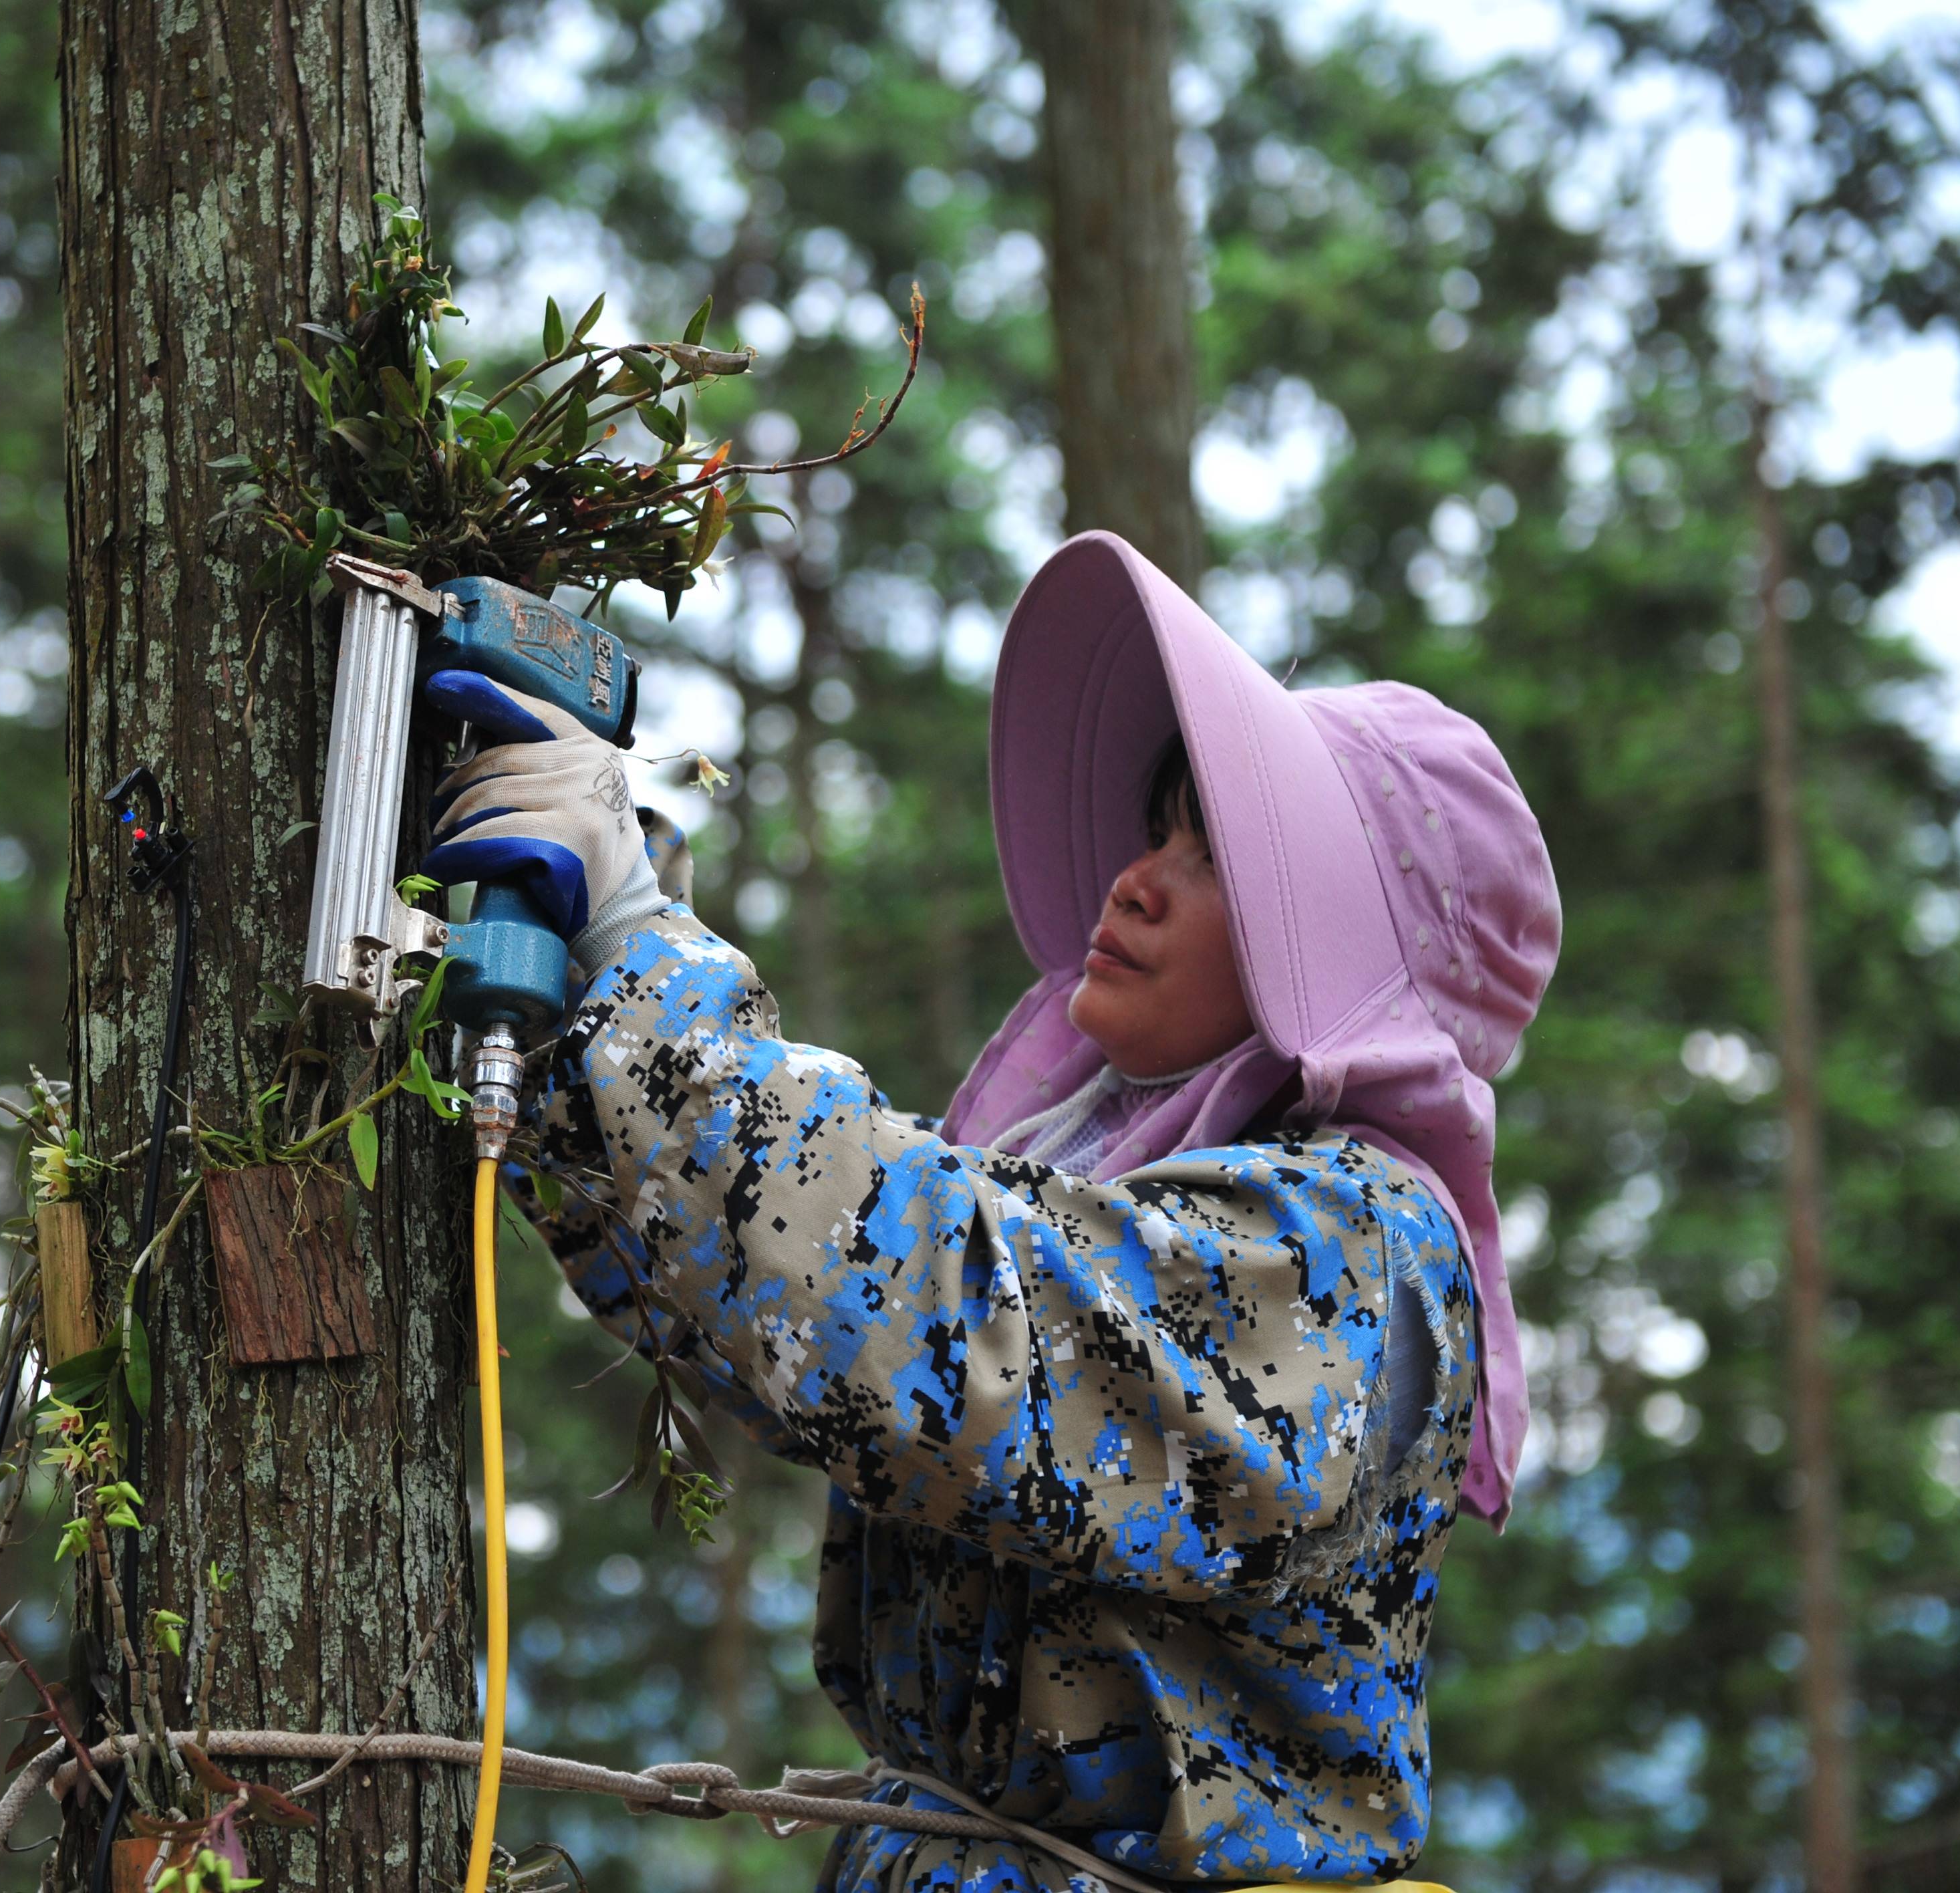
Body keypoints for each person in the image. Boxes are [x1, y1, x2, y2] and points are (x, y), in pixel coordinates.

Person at [418, 533, 1560, 1890]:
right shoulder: (1143, 1195)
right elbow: (794, 1309)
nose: (1132, 881)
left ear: (1347, 963)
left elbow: (945, 1322)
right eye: (1154, 834)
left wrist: (634, 940)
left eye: (1224, 864)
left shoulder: (1357, 1244)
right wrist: (568, 1001)